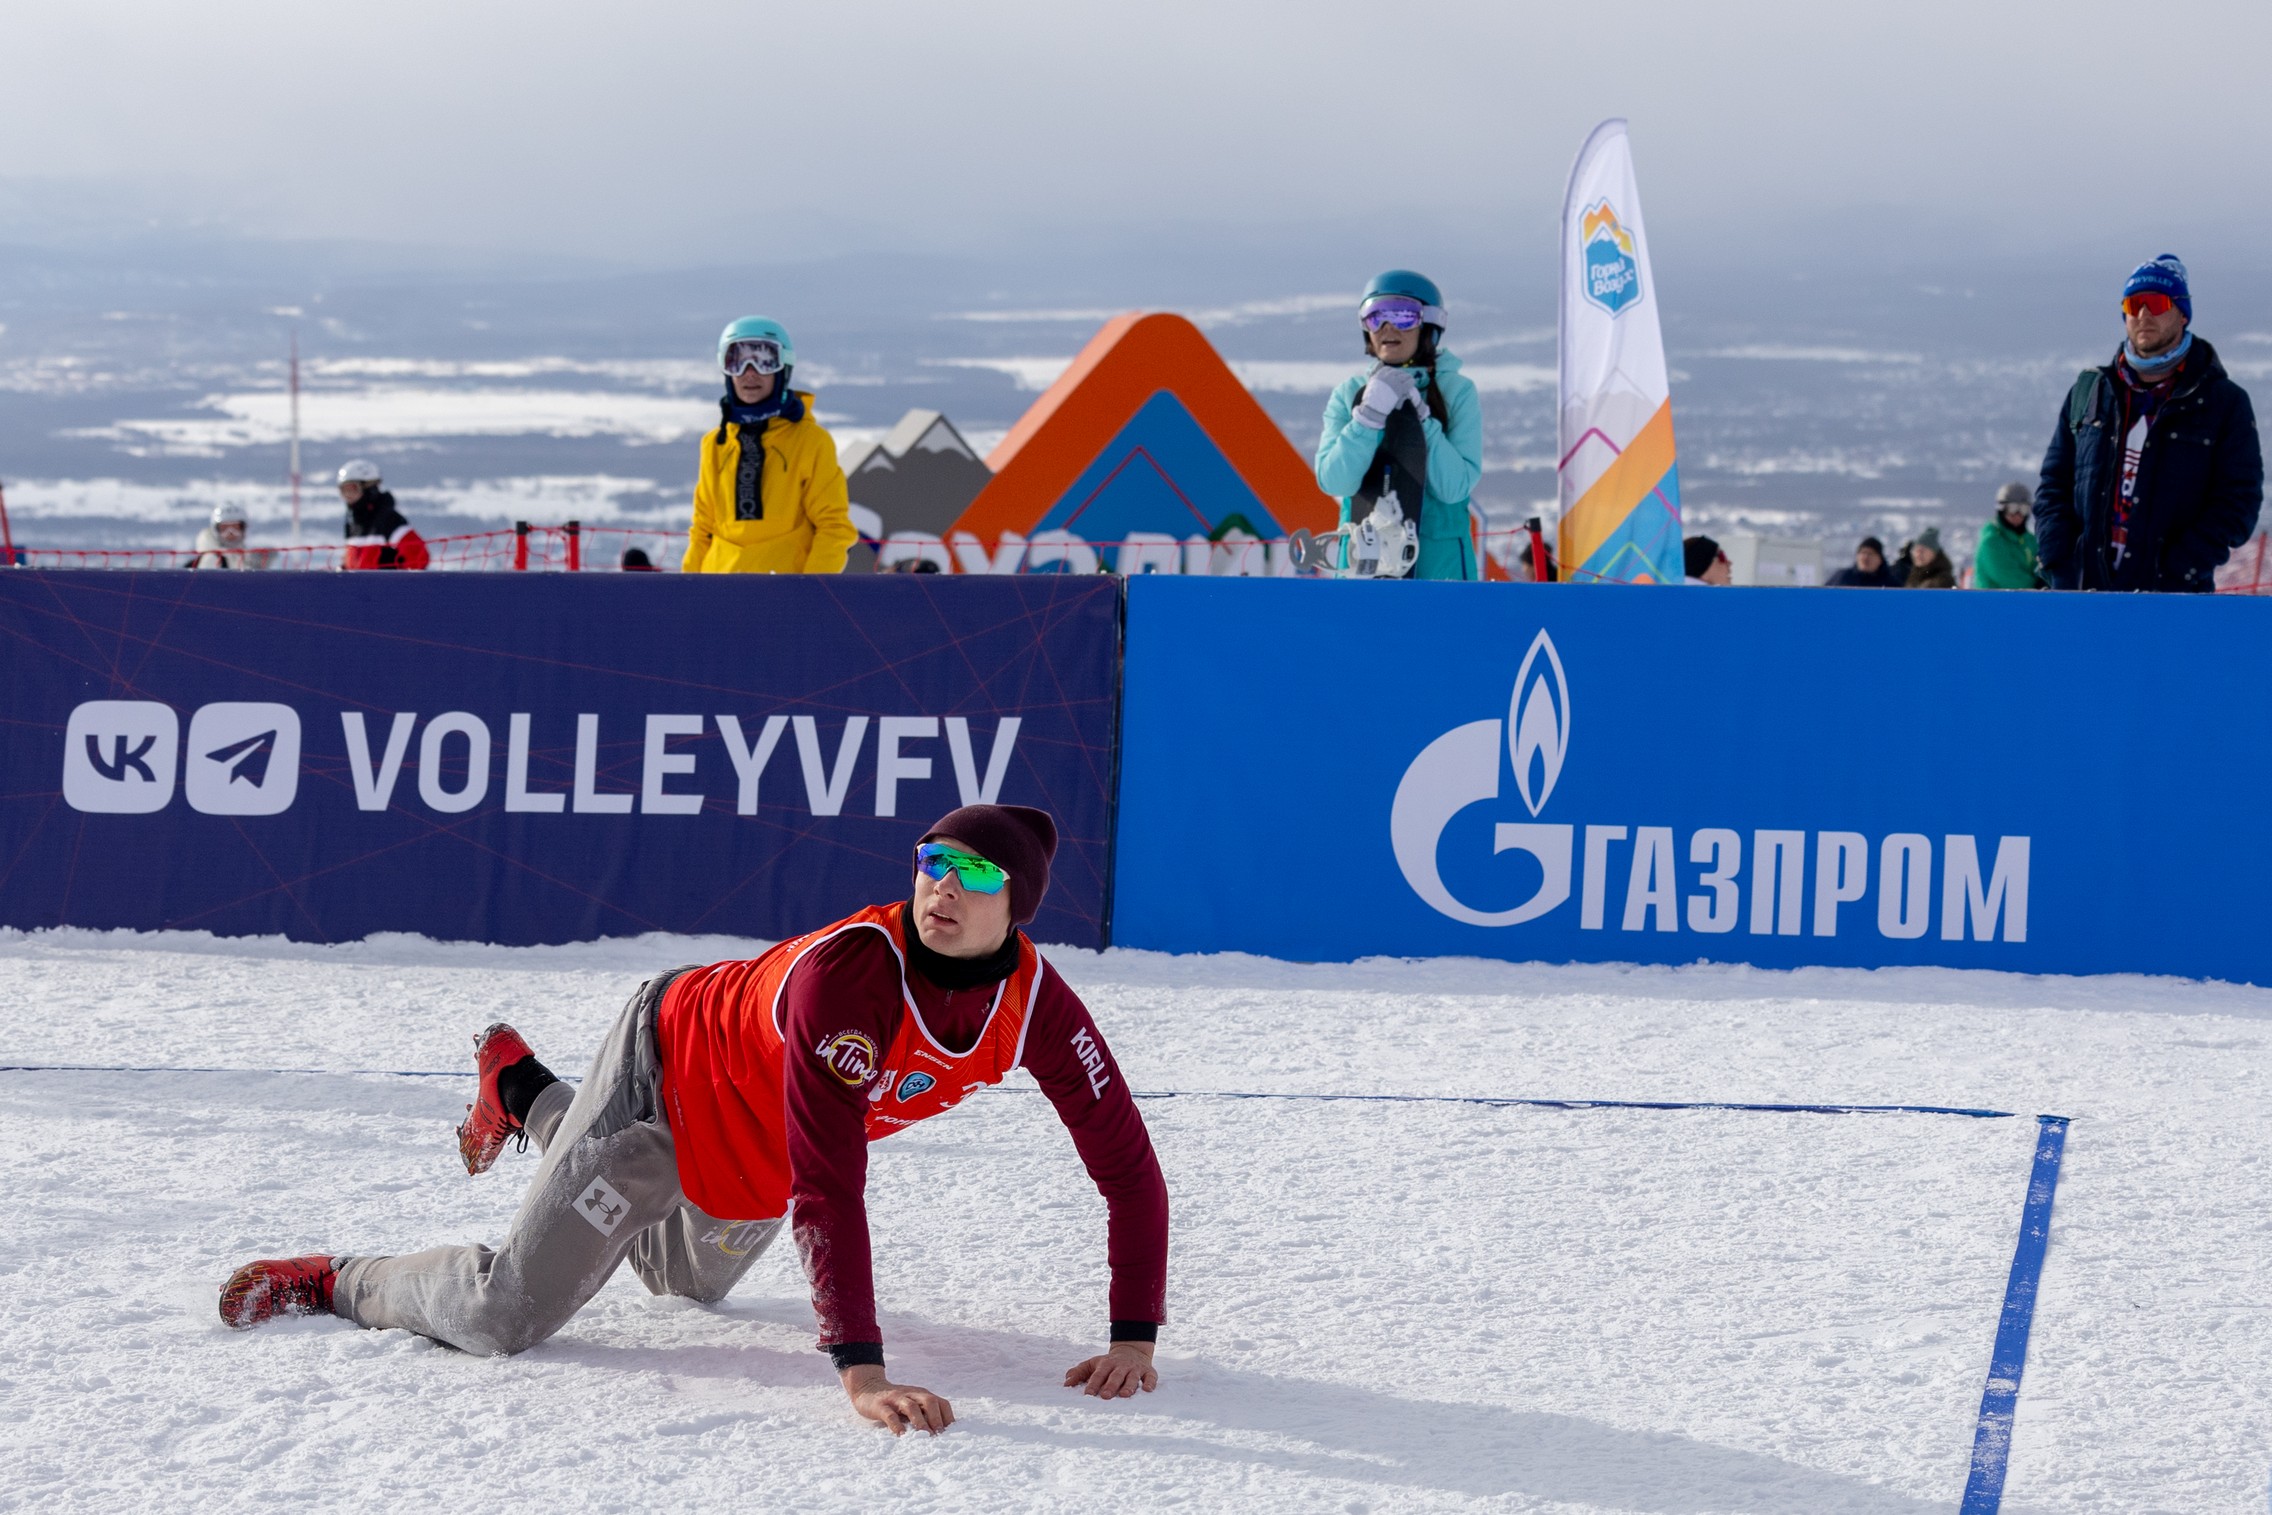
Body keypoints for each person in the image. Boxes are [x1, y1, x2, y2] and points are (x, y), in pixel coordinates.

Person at [217, 804, 1168, 1438]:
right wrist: (862, 1373)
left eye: (971, 871)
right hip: (660, 1089)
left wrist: (1134, 1336)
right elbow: (831, 1183)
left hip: (758, 1144)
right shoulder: (854, 976)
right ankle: (332, 1279)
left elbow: (1128, 1166)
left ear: (1021, 905)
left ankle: (521, 1091)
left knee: (679, 1279)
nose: (942, 887)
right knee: (505, 1311)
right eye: (930, 861)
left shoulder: (1039, 1004)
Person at [2036, 255, 2263, 592]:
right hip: (2084, 595)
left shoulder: (2222, 402)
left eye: (2156, 303)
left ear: (2182, 313)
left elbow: (2238, 500)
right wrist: (2059, 563)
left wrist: (2181, 567)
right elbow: (2054, 485)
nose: (2143, 315)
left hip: (2171, 602)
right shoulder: (2092, 392)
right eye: (2134, 303)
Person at [1314, 271, 1486, 580]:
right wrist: (1366, 419)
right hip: (1362, 570)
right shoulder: (1349, 394)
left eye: (1404, 315)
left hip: (1439, 575)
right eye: (1375, 316)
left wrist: (1423, 420)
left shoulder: (1457, 392)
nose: (1387, 327)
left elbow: (1453, 488)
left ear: (1429, 326)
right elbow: (1335, 481)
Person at [683, 317, 857, 575]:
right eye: (737, 362)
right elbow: (703, 530)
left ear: (782, 368)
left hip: (786, 595)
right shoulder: (715, 444)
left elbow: (834, 528)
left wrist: (811, 593)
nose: (750, 372)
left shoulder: (810, 441)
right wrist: (687, 593)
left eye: (764, 361)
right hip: (719, 593)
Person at [337, 461, 430, 570]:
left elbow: (419, 557)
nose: (348, 496)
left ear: (369, 488)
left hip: (384, 586)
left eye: (352, 489)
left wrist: (393, 579)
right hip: (359, 586)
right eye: (343, 490)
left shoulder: (390, 520)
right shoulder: (353, 524)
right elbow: (354, 563)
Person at [1973, 484, 2041, 590]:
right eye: (2013, 508)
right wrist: (2037, 585)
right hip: (1994, 602)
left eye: (2023, 509)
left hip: (2025, 601)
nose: (2018, 515)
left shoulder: (2030, 540)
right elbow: (2009, 578)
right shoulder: (1991, 541)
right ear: (2002, 509)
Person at [190, 501, 267, 569]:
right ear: (215, 530)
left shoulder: (245, 557)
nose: (230, 533)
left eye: (235, 527)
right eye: (225, 528)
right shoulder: (213, 559)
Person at [1825, 536, 1900, 587]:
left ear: (1880, 559)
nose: (1865, 557)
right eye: (1863, 553)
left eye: (1870, 554)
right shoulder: (1842, 577)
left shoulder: (1890, 584)